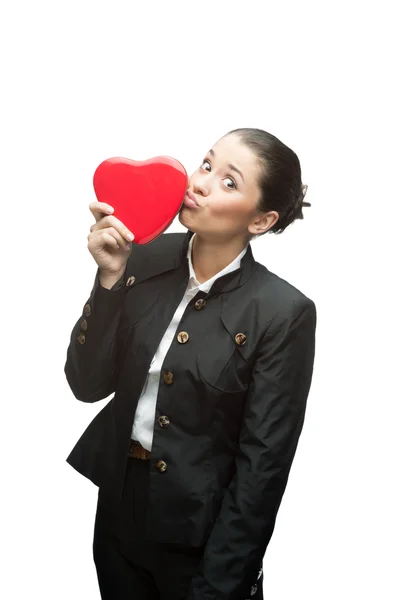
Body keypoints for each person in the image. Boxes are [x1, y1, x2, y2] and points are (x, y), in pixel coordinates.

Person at [64, 127, 316, 600]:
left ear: (261, 221)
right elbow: (86, 383)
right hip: (120, 517)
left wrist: (223, 581)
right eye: (206, 163)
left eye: (228, 181)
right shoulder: (142, 254)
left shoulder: (281, 312)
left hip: (204, 536)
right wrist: (110, 278)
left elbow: (263, 467)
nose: (200, 182)